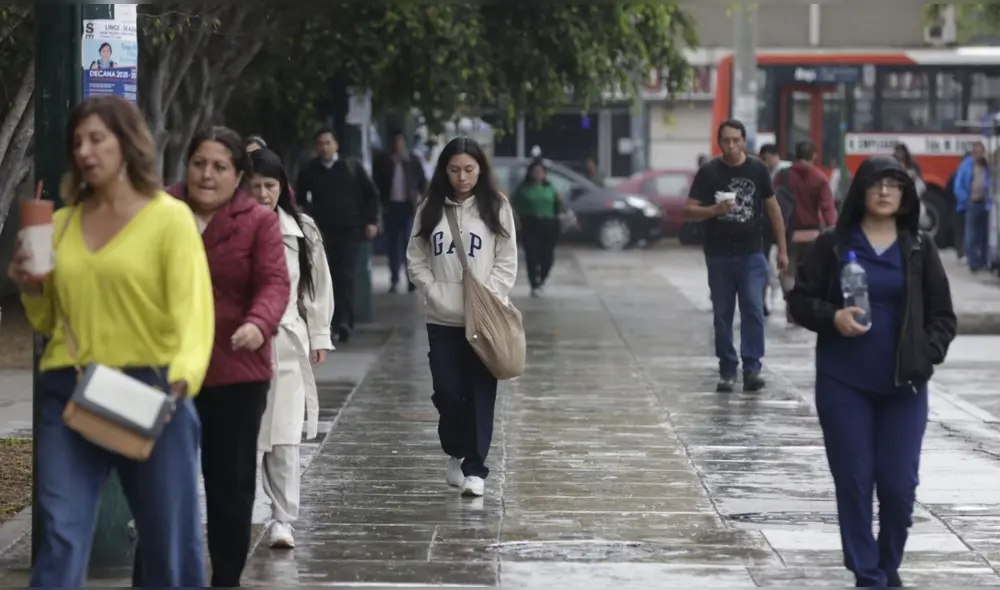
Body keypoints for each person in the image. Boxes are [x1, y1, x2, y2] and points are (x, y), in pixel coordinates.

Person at [11, 96, 213, 587]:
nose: (85, 150)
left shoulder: (170, 218)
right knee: (61, 533)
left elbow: (194, 312)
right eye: (77, 141)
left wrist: (183, 377)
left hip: (153, 390)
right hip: (70, 389)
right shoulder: (58, 225)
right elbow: (48, 321)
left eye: (97, 138)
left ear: (127, 143)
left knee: (169, 546)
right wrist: (31, 286)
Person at [787, 156, 956, 588]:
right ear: (861, 190)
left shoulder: (919, 247)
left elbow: (942, 317)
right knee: (855, 482)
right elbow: (800, 301)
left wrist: (926, 354)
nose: (884, 191)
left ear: (904, 195)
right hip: (844, 383)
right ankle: (869, 574)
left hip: (905, 385)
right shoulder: (833, 243)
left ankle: (887, 562)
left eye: (894, 185)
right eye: (876, 183)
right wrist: (833, 317)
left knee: (899, 488)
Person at [167, 127, 290, 587]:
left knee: (229, 485)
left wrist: (258, 323)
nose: (206, 174)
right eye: (199, 163)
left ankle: (226, 577)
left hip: (236, 368)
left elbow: (275, 282)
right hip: (170, 367)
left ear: (238, 175)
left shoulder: (257, 220)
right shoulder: (163, 209)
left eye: (219, 167)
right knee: (162, 483)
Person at [406, 137, 517, 498]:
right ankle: (454, 449)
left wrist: (492, 294)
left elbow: (506, 259)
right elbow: (416, 257)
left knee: (481, 392)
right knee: (449, 393)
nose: (462, 177)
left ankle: (476, 468)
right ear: (444, 171)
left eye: (469, 169)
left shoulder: (496, 207)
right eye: (455, 170)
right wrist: (432, 290)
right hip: (442, 318)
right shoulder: (430, 208)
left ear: (481, 169)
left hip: (483, 317)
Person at [249, 149, 335, 549]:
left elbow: (317, 287)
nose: (264, 194)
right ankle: (242, 511)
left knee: (284, 435)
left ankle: (283, 517)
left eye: (271, 186)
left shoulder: (303, 230)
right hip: (239, 346)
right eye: (256, 186)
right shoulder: (226, 228)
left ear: (282, 187)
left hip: (286, 339)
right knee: (244, 436)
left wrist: (319, 335)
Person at [684, 119, 789, 393]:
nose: (731, 146)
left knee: (753, 307)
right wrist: (714, 211)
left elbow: (773, 209)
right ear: (719, 142)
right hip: (718, 255)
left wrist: (782, 249)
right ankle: (727, 369)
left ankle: (752, 368)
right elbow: (690, 209)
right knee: (722, 314)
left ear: (744, 142)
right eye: (726, 140)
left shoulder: (757, 169)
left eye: (736, 140)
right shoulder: (709, 172)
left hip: (752, 253)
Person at [296, 128, 380, 343]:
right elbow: (299, 199)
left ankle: (344, 321)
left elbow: (371, 195)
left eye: (328, 142)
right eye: (320, 144)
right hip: (321, 231)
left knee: (345, 275)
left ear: (336, 145)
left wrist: (371, 221)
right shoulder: (309, 171)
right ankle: (328, 321)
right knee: (326, 276)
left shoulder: (351, 168)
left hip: (350, 230)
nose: (324, 147)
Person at [774, 141, 839, 323]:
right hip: (812, 235)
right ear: (814, 156)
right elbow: (828, 207)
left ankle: (790, 305)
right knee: (809, 274)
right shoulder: (820, 178)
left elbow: (771, 201)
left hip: (788, 233)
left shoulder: (783, 175)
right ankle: (803, 308)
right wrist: (833, 229)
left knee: (788, 271)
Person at [373, 130, 427, 293]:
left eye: (401, 141)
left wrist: (419, 200)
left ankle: (410, 279)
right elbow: (377, 183)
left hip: (408, 207)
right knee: (393, 244)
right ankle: (395, 278)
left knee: (409, 244)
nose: (399, 145)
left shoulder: (412, 162)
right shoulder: (384, 162)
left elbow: (422, 183)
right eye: (396, 142)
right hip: (391, 207)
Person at [512, 159, 561, 296]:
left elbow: (558, 207)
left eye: (541, 172)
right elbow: (513, 205)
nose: (538, 174)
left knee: (548, 257)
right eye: (535, 172)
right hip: (530, 224)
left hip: (548, 225)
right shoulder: (523, 188)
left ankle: (542, 277)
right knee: (531, 255)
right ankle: (534, 284)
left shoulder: (550, 188)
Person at [954, 141, 991, 272]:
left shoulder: (987, 165)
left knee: (985, 235)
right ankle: (973, 262)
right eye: (976, 151)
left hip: (986, 204)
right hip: (972, 204)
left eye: (981, 151)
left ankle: (984, 261)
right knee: (971, 235)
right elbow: (958, 185)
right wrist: (965, 200)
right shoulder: (966, 165)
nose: (979, 154)